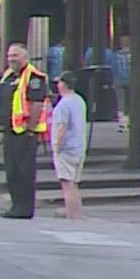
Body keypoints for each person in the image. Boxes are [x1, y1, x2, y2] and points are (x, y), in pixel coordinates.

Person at [0, 42, 50, 219]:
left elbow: (38, 103)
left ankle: (25, 208)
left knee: (24, 171)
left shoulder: (34, 77)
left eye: (15, 56)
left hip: (25, 133)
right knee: (12, 171)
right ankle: (16, 205)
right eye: (9, 56)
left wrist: (31, 128)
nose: (11, 59)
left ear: (25, 57)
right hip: (9, 131)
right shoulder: (8, 76)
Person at [49, 71, 89, 220]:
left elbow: (62, 127)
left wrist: (57, 146)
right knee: (74, 184)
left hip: (66, 149)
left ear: (63, 84)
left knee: (67, 184)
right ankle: (76, 213)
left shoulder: (63, 105)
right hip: (79, 147)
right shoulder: (79, 100)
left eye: (59, 82)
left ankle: (72, 215)